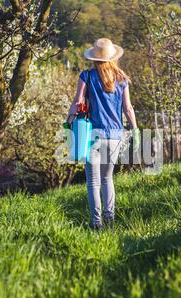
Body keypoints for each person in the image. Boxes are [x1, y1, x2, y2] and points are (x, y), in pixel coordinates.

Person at [67, 38, 139, 230]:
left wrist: (69, 122)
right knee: (108, 179)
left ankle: (96, 223)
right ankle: (110, 219)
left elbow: (77, 101)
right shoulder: (122, 79)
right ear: (112, 57)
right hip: (115, 135)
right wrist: (135, 129)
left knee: (93, 182)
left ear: (94, 58)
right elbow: (128, 108)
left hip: (93, 135)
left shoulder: (87, 76)